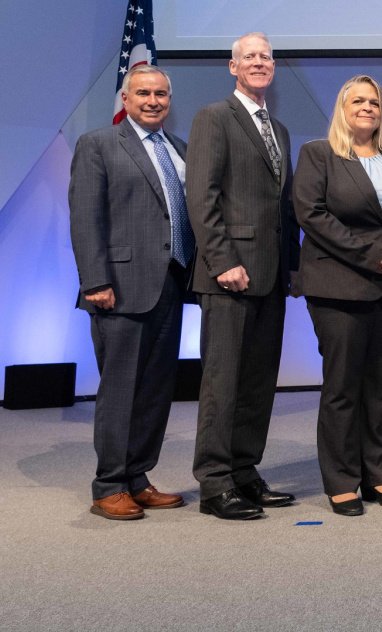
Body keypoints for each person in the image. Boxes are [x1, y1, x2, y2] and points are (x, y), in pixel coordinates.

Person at [292, 76, 382, 517]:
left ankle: (378, 475)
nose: (367, 107)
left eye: (374, 102)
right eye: (358, 100)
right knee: (343, 386)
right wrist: (372, 255)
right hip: (338, 285)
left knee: (379, 386)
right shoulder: (319, 154)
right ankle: (341, 480)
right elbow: (311, 215)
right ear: (342, 107)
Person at [68, 65, 193, 520]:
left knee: (156, 390)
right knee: (121, 389)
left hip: (171, 284)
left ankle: (138, 479)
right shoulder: (99, 144)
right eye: (143, 92)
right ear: (126, 97)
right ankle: (108, 485)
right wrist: (95, 281)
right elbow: (85, 218)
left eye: (161, 93)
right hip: (118, 287)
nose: (153, 100)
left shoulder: (178, 149)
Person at [187, 32, 301, 520]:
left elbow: (286, 207)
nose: (259, 63)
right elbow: (202, 196)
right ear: (232, 67)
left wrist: (293, 268)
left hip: (271, 276)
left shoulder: (279, 128)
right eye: (249, 57)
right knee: (222, 380)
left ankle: (244, 471)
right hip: (229, 274)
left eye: (266, 57)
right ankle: (214, 483)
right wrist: (221, 260)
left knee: (257, 381)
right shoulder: (214, 117)